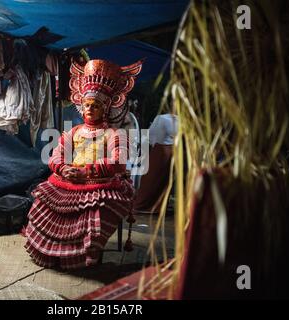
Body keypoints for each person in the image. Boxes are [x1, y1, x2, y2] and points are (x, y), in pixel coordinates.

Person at [25, 59, 143, 269]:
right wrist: (63, 168)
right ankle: (53, 256)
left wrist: (87, 171)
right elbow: (56, 156)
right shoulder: (73, 132)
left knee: (94, 218)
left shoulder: (115, 134)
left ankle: (85, 257)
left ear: (105, 108)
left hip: (102, 184)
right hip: (67, 181)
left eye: (96, 105)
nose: (90, 108)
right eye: (87, 105)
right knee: (40, 205)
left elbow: (119, 161)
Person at [133, 113, 178, 214]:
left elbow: (153, 136)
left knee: (151, 179)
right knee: (163, 180)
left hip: (161, 149)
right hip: (174, 151)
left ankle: (142, 204)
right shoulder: (182, 120)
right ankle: (158, 206)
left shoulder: (162, 118)